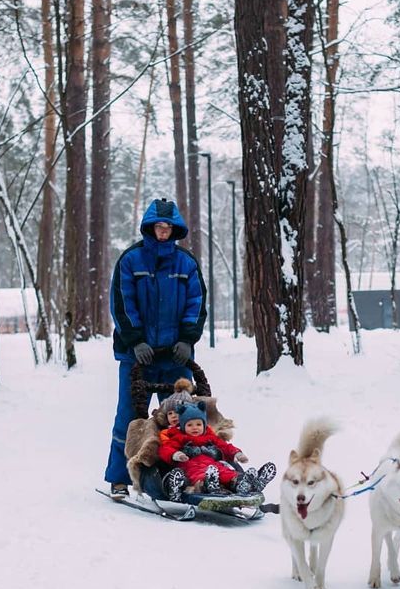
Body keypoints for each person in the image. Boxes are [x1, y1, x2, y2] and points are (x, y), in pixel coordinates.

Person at [105, 198, 207, 499]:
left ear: (175, 230)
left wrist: (188, 339)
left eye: (168, 228)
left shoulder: (186, 263)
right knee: (129, 417)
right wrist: (135, 340)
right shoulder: (131, 261)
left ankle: (189, 474)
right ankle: (120, 477)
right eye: (158, 227)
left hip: (175, 356)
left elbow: (196, 303)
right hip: (138, 355)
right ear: (150, 228)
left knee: (184, 417)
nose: (163, 232)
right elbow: (122, 304)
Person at [158, 402, 276, 498]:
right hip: (191, 465)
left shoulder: (210, 438)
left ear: (204, 426)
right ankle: (208, 485)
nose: (195, 428)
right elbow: (165, 449)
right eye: (190, 425)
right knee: (199, 475)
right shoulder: (179, 437)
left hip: (213, 465)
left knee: (227, 473)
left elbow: (224, 446)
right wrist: (177, 454)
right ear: (183, 427)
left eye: (198, 424)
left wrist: (237, 453)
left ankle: (243, 484)